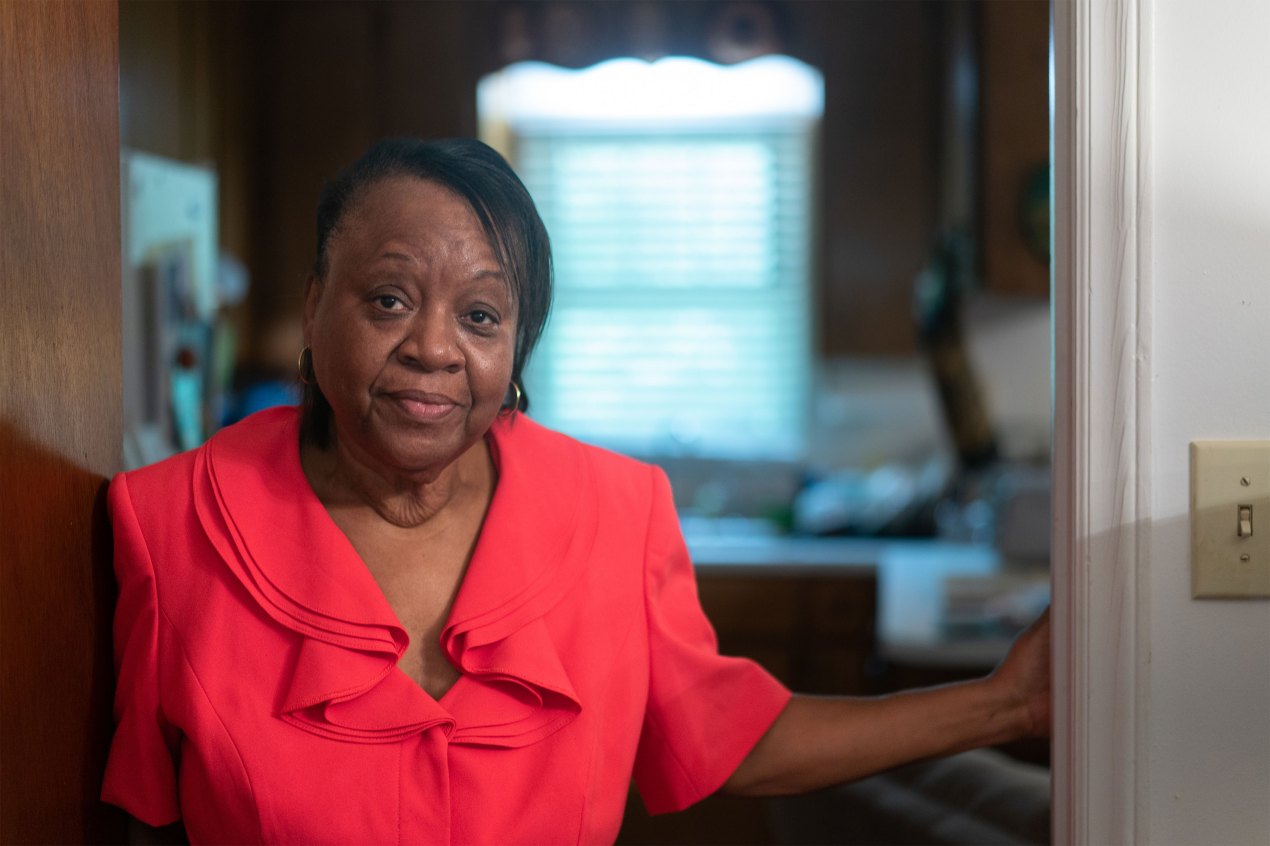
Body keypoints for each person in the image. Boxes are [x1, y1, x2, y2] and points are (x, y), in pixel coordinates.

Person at [102, 137, 1050, 844]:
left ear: (516, 349)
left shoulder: (617, 513)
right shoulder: (168, 523)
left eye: (480, 315)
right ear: (315, 307)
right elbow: (134, 822)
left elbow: (735, 741)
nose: (434, 347)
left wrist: (1004, 704)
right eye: (388, 299)